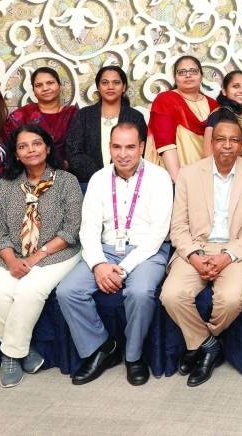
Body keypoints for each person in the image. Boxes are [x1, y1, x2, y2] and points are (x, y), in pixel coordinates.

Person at [55, 122, 173, 386]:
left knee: (140, 292)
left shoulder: (160, 177)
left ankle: (133, 356)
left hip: (147, 252)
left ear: (141, 147)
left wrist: (124, 269)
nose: (123, 154)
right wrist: (99, 264)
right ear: (109, 147)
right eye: (117, 147)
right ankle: (102, 347)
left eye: (130, 147)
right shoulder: (99, 179)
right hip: (106, 250)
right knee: (67, 291)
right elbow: (88, 229)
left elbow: (158, 233)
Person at [159, 114, 242, 387]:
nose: (226, 146)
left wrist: (227, 256)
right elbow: (178, 227)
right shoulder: (188, 174)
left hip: (236, 249)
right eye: (220, 139)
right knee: (171, 295)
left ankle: (197, 344)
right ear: (211, 143)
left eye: (233, 140)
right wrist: (194, 257)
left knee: (230, 299)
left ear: (241, 145)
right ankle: (208, 345)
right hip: (195, 247)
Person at [0, 124, 83, 388]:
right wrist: (12, 261)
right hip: (11, 253)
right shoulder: (6, 185)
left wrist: (35, 257)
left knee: (28, 291)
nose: (31, 150)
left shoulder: (67, 181)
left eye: (36, 143)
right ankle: (23, 351)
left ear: (47, 148)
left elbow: (72, 229)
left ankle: (10, 356)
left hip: (57, 253)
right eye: (23, 146)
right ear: (16, 154)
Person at [65, 66, 148, 184]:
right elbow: (74, 152)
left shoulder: (135, 117)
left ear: (124, 87)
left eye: (116, 82)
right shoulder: (83, 115)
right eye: (105, 82)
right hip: (88, 183)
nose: (110, 87)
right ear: (98, 87)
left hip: (127, 183)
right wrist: (100, 176)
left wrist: (118, 177)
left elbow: (141, 152)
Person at [148, 56, 219, 182]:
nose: (188, 75)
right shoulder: (166, 100)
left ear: (201, 76)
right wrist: (179, 181)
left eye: (193, 71)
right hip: (176, 177)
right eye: (182, 72)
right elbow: (165, 144)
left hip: (209, 177)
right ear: (175, 77)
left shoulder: (213, 105)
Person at [5, 67, 78, 168]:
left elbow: (81, 148)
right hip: (28, 172)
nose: (45, 88)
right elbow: (10, 148)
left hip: (68, 171)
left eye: (50, 83)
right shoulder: (22, 115)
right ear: (33, 90)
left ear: (59, 86)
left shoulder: (73, 114)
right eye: (39, 85)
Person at [203, 70, 242, 161]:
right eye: (236, 86)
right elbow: (207, 154)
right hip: (234, 168)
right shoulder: (218, 115)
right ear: (224, 91)